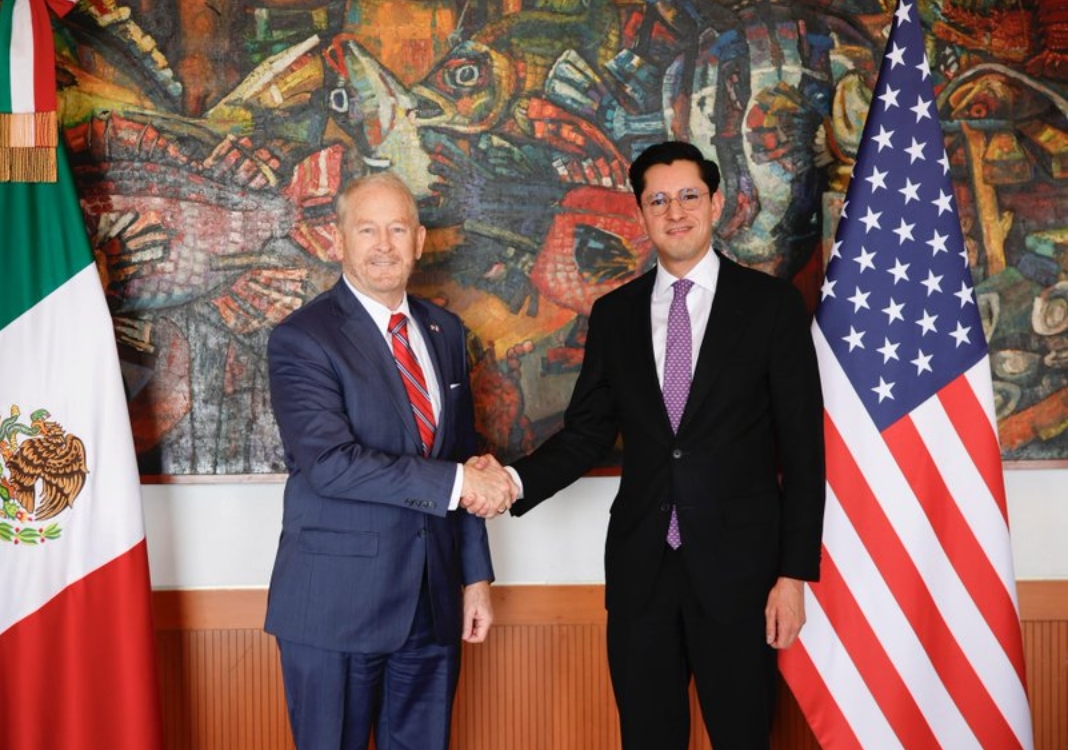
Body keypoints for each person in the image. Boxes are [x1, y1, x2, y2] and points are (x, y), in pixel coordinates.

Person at [495, 141, 826, 749]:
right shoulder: (615, 314)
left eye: (689, 196)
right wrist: (512, 483)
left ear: (716, 204)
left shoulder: (771, 306)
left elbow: (805, 454)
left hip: (742, 577)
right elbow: (588, 432)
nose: (676, 212)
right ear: (642, 213)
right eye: (659, 201)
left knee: (743, 738)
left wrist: (793, 576)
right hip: (641, 574)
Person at [264, 171, 514, 750]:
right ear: (338, 240)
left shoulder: (445, 331)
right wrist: (462, 480)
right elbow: (332, 463)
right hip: (335, 608)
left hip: (432, 605)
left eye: (397, 229)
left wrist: (475, 578)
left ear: (419, 241)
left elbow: (460, 455)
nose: (384, 245)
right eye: (367, 230)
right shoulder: (303, 338)